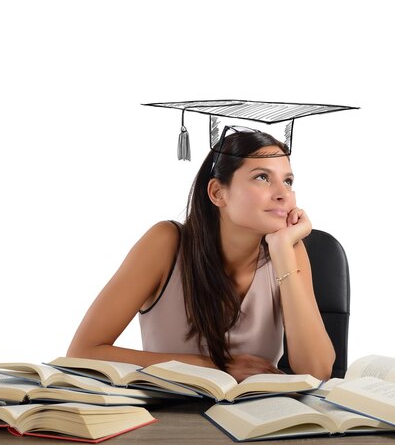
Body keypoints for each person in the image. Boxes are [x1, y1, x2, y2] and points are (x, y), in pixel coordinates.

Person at [67, 129, 335, 382]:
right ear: (218, 192)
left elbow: (317, 370)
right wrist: (217, 368)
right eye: (262, 177)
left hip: (254, 418)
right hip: (172, 420)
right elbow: (82, 353)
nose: (282, 194)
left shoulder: (288, 251)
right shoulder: (166, 243)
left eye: (288, 181)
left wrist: (282, 249)